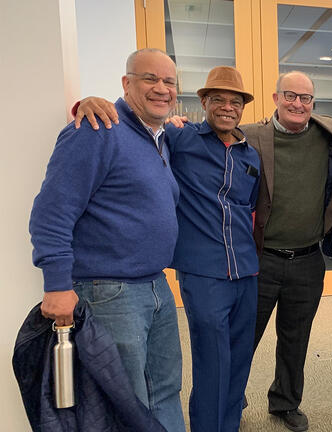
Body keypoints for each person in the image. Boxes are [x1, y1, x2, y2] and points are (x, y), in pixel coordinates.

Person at [75, 66, 262, 432]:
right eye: (219, 100)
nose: (227, 107)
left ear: (243, 108)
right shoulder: (179, 137)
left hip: (247, 271)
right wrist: (87, 102)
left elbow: (250, 207)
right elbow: (132, 128)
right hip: (204, 272)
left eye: (235, 101)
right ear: (204, 102)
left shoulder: (249, 155)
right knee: (213, 363)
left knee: (240, 361)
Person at [29, 48, 185, 432]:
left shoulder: (158, 139)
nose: (161, 89)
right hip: (110, 291)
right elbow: (52, 213)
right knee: (124, 400)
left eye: (169, 82)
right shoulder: (96, 130)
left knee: (164, 389)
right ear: (126, 83)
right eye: (150, 78)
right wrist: (56, 285)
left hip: (156, 286)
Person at [242, 71, 332, 432]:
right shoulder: (250, 135)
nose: (298, 104)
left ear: (314, 104)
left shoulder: (328, 134)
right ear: (275, 97)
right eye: (290, 96)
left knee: (295, 338)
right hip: (261, 260)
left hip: (308, 259)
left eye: (306, 98)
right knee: (243, 335)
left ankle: (285, 401)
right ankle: (231, 397)